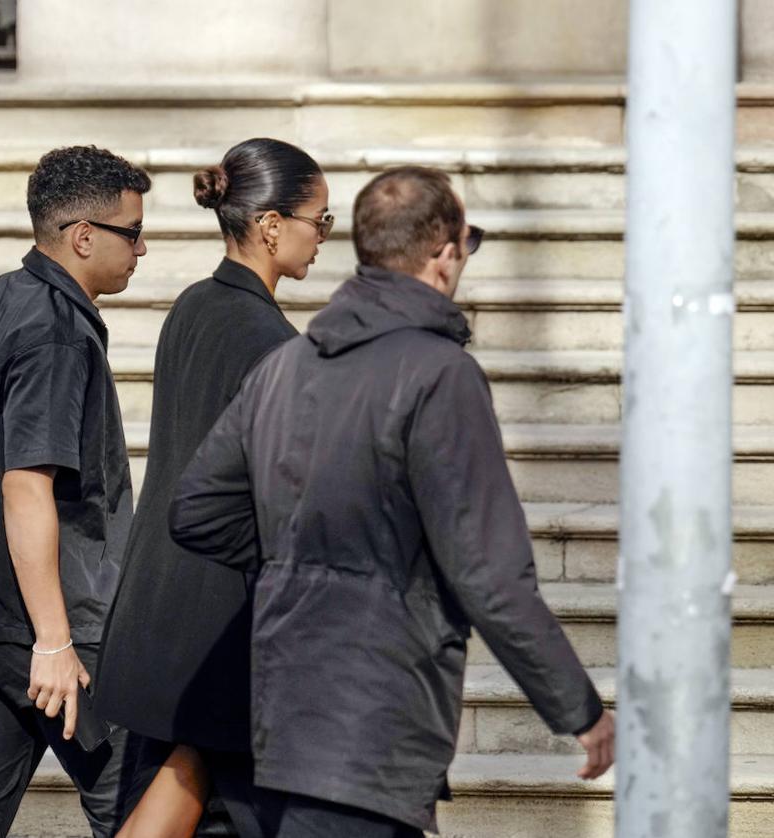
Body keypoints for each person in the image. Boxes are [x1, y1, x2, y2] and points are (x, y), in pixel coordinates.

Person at [169, 166, 615, 838]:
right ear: (443, 255)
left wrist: (296, 560)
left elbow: (196, 509)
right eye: (470, 243)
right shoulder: (441, 375)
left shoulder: (284, 367)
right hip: (371, 727)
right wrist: (580, 710)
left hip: (281, 714)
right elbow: (489, 575)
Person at [95, 138, 332, 838]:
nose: (323, 238)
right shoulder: (276, 345)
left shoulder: (193, 306)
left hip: (156, 611)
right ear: (269, 224)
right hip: (224, 632)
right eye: (319, 220)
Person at [0, 145, 151, 838]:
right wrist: (54, 639)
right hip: (60, 634)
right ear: (84, 237)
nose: (143, 249)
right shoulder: (53, 330)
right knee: (138, 811)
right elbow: (25, 485)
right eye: (133, 233)